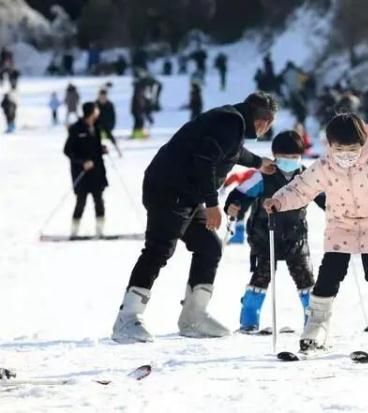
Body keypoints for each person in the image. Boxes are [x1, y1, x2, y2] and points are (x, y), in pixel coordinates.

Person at [111, 92, 279, 344]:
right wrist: (212, 204)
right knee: (159, 249)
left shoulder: (232, 122)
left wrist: (258, 162)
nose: (267, 130)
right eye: (270, 125)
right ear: (263, 121)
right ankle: (127, 318)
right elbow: (205, 160)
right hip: (169, 189)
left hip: (186, 193)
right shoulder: (230, 122)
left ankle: (193, 317)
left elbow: (232, 152)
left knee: (209, 246)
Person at [264, 113, 368, 352]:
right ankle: (317, 324)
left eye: (352, 150)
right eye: (340, 151)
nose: (346, 157)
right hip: (340, 224)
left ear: (363, 143)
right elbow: (302, 188)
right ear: (329, 145)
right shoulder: (324, 166)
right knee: (330, 271)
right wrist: (279, 201)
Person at [225, 131, 325, 332]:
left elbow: (322, 198)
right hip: (264, 235)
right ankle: (249, 320)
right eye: (284, 158)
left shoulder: (306, 177)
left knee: (305, 277)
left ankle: (313, 321)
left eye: (293, 157)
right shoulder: (262, 176)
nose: (289, 162)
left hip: (295, 236)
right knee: (262, 275)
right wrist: (234, 205)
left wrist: (335, 209)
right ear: (275, 156)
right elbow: (241, 193)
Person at [63, 102, 108, 238]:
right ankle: (74, 232)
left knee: (99, 201)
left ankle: (100, 231)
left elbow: (95, 147)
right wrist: (82, 162)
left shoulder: (97, 126)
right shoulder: (76, 129)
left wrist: (102, 150)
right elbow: (67, 151)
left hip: (97, 172)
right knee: (81, 202)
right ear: (91, 112)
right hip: (81, 173)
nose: (98, 112)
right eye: (96, 110)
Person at [96, 88, 121, 156]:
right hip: (97, 125)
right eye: (101, 96)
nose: (102, 98)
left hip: (107, 125)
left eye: (104, 96)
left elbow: (113, 117)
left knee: (111, 137)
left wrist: (111, 126)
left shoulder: (110, 105)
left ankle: (119, 151)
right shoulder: (95, 104)